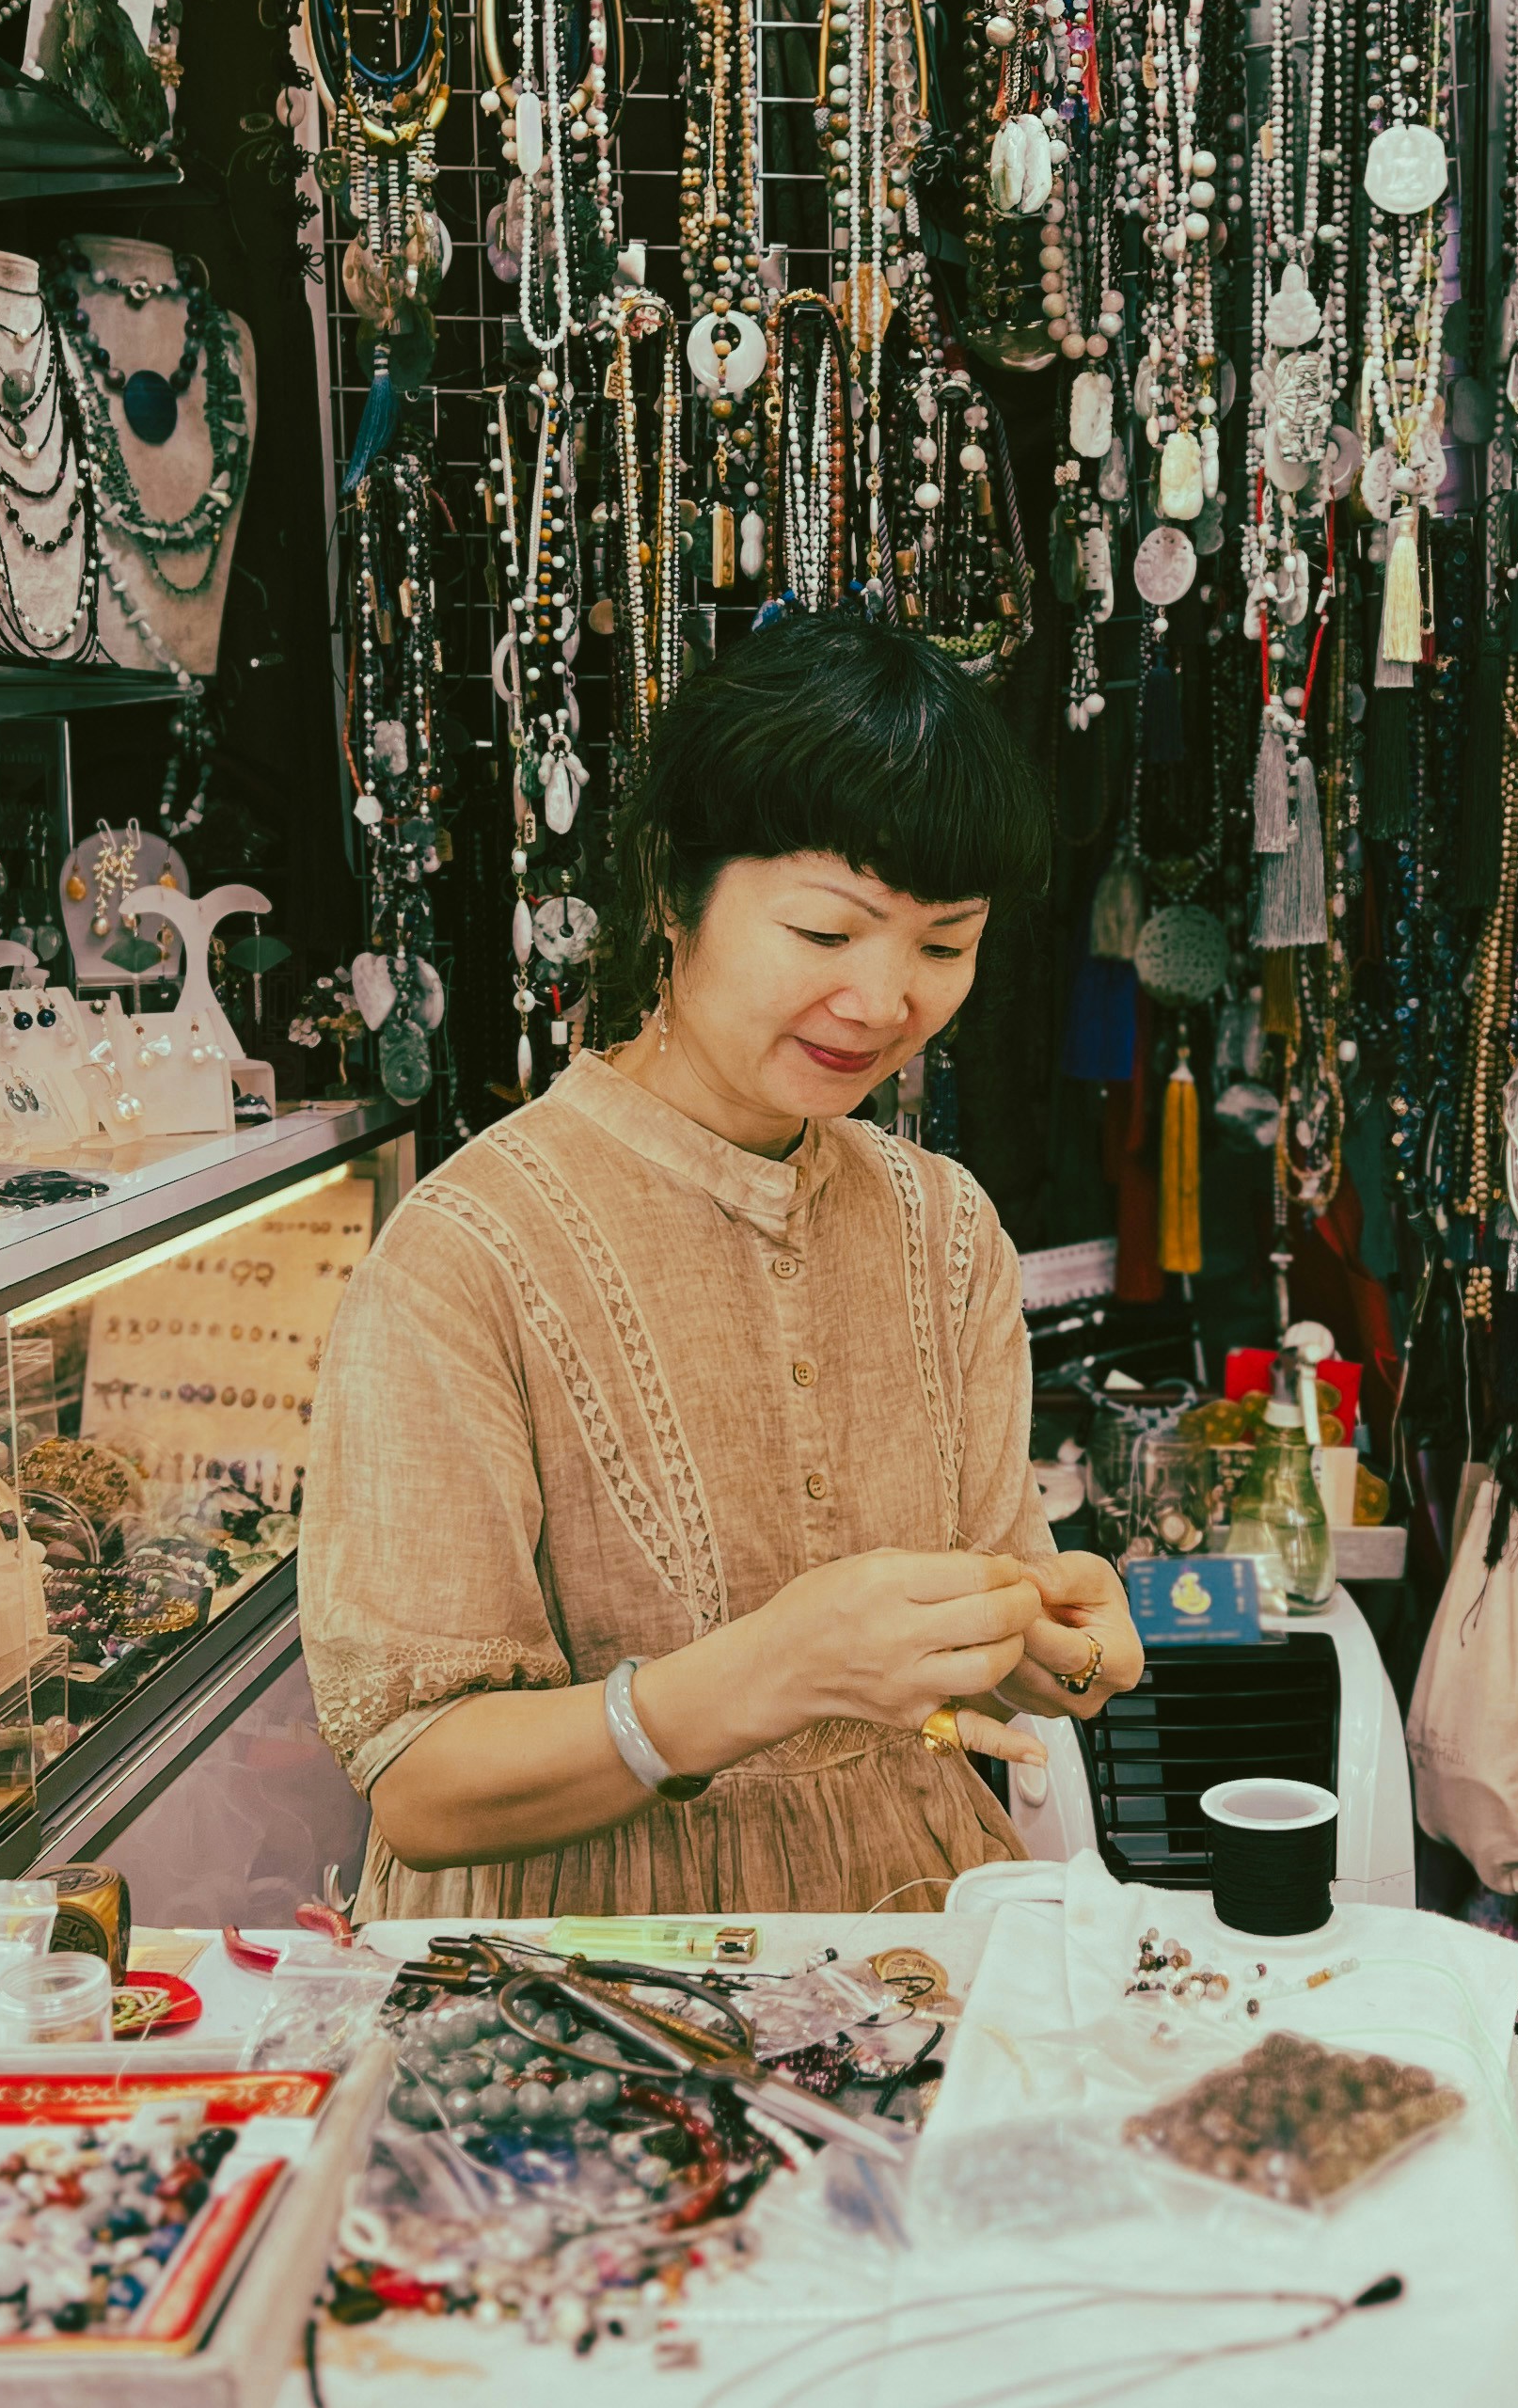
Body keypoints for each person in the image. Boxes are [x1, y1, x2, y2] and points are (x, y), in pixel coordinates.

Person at [300, 611, 1141, 1919]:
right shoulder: (467, 1256)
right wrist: (770, 1676)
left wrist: (1061, 1651)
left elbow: (984, 1642)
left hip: (906, 1924)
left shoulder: (947, 1228)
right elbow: (418, 1779)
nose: (882, 1002)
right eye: (825, 934)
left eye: (943, 944)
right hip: (573, 1983)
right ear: (671, 896)